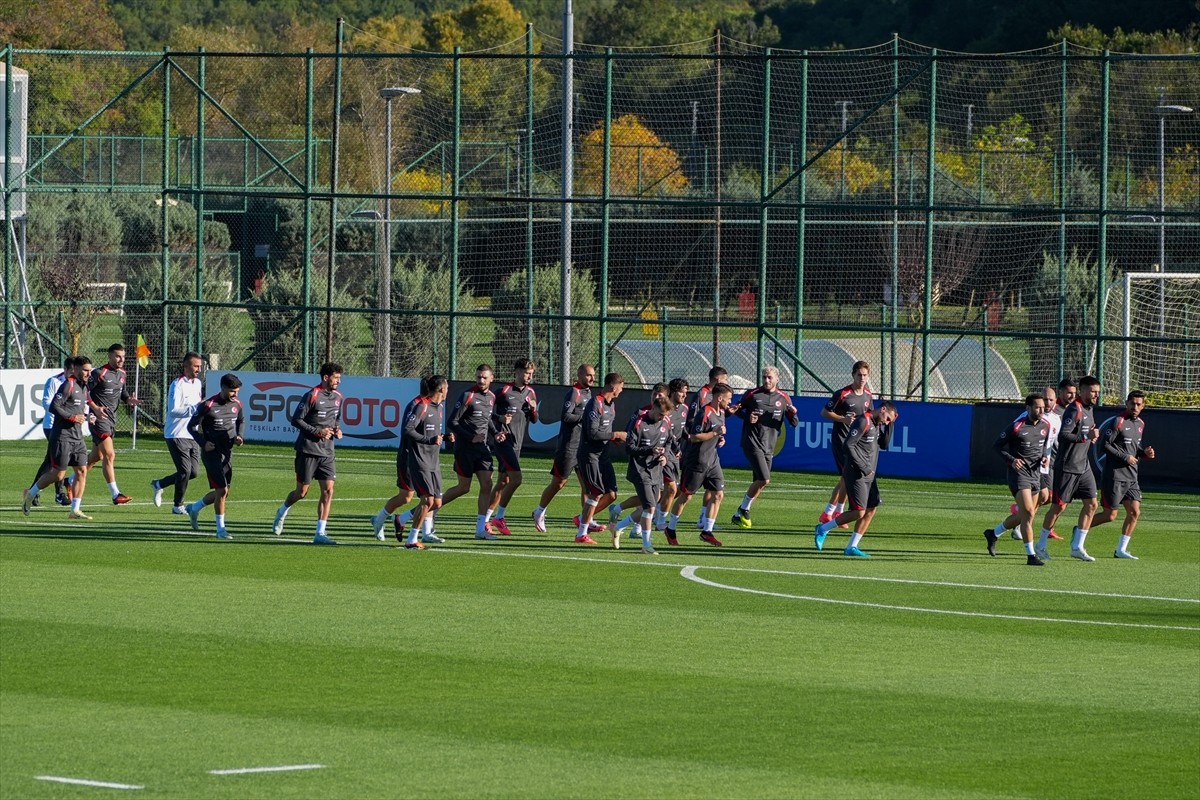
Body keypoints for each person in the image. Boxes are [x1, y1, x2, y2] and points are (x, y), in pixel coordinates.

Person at [813, 400, 899, 558]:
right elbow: (848, 446)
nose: (886, 422)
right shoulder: (863, 421)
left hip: (869, 475)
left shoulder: (877, 424)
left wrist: (890, 424)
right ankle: (822, 529)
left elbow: (885, 444)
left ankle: (852, 546)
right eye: (887, 418)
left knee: (871, 508)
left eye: (889, 421)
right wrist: (863, 467)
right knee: (859, 512)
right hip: (856, 473)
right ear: (883, 409)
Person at [272, 363, 344, 545]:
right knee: (301, 492)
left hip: (327, 451)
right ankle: (282, 511)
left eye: (339, 378)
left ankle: (320, 533)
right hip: (308, 450)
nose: (339, 381)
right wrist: (317, 432)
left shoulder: (338, 397)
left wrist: (337, 429)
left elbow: (336, 419)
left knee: (328, 491)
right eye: (336, 377)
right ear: (326, 377)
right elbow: (296, 420)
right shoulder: (312, 395)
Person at [984, 393, 1052, 566]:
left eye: (1043, 407)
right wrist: (1011, 460)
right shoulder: (1017, 426)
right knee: (1028, 513)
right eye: (1037, 407)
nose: (1041, 410)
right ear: (1028, 408)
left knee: (1025, 515)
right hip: (1018, 475)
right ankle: (1031, 556)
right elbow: (997, 446)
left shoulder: (1045, 426)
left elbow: (1043, 447)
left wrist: (1044, 457)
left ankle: (993, 533)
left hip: (1035, 474)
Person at [1038, 374, 1101, 561]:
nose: (1096, 395)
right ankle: (1040, 545)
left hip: (1084, 466)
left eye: (1098, 392)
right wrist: (1086, 437)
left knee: (1092, 504)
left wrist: (1090, 437)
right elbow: (1064, 435)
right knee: (1058, 507)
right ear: (1083, 391)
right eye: (1093, 392)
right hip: (1067, 466)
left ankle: (1077, 546)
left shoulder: (1089, 409)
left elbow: (1086, 433)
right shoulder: (1075, 409)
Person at [23, 356, 94, 519]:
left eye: (90, 370)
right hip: (62, 436)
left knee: (82, 470)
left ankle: (75, 509)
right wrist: (72, 417)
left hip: (78, 437)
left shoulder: (84, 387)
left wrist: (88, 417)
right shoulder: (68, 385)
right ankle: (30, 494)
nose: (88, 374)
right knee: (58, 474)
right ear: (76, 369)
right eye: (85, 370)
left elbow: (79, 409)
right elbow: (54, 406)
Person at [988, 385, 1061, 544]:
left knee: (1044, 498)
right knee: (1033, 507)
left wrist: (1045, 456)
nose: (1046, 404)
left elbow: (1046, 443)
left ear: (1056, 401)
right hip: (1023, 469)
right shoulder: (1022, 420)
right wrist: (1012, 459)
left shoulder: (1054, 419)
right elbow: (1012, 439)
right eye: (1044, 400)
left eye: (1050, 400)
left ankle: (998, 531)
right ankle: (1029, 546)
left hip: (1041, 465)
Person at [663, 382, 733, 547]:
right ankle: (670, 529)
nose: (730, 402)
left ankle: (707, 531)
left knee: (718, 494)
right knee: (686, 496)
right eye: (728, 398)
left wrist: (720, 439)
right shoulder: (704, 413)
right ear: (719, 398)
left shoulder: (722, 412)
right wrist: (715, 433)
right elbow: (694, 437)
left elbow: (716, 433)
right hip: (697, 461)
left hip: (712, 460)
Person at [532, 363, 597, 533]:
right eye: (589, 375)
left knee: (587, 485)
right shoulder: (574, 393)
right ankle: (539, 512)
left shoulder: (589, 393)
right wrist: (585, 417)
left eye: (593, 375)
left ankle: (586, 520)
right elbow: (566, 416)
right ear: (580, 375)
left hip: (582, 447)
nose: (592, 378)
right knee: (559, 483)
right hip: (568, 446)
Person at [730, 366, 798, 528]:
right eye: (764, 377)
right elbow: (735, 409)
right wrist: (747, 417)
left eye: (770, 377)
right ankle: (743, 509)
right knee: (764, 479)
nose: (766, 380)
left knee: (759, 483)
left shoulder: (783, 398)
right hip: (752, 442)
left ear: (777, 379)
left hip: (769, 446)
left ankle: (738, 515)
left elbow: (794, 422)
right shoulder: (753, 394)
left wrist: (793, 413)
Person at [1091, 390, 1155, 559]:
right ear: (1127, 403)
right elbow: (1104, 445)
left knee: (1134, 512)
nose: (1135, 407)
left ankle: (1121, 550)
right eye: (1132, 403)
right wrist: (1125, 457)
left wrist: (1144, 453)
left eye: (1139, 404)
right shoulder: (1118, 421)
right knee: (1110, 515)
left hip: (1132, 477)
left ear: (1143, 406)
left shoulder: (1140, 424)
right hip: (1115, 476)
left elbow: (1134, 449)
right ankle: (1080, 528)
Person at [440, 364, 500, 540]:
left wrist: (496, 433)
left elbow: (487, 419)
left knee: (487, 484)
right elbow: (452, 421)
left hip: (482, 449)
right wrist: (469, 437)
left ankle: (480, 529)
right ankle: (430, 509)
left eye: (484, 377)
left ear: (491, 378)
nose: (481, 380)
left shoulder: (492, 397)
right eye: (478, 377)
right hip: (465, 449)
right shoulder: (468, 395)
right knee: (463, 488)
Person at [184, 373, 245, 539]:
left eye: (237, 391)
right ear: (223, 388)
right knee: (222, 490)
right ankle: (220, 530)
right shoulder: (208, 405)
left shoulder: (237, 404)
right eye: (232, 391)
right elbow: (191, 427)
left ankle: (194, 508)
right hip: (211, 453)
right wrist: (203, 442)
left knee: (224, 492)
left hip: (227, 453)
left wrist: (239, 436)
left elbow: (241, 421)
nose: (235, 395)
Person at [613, 394, 673, 554]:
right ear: (653, 408)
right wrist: (650, 450)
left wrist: (665, 456)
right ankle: (646, 545)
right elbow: (629, 448)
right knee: (650, 508)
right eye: (660, 414)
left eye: (665, 415)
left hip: (656, 470)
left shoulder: (666, 422)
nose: (662, 418)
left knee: (653, 502)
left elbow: (669, 442)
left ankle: (619, 526)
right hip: (640, 470)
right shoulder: (639, 422)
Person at [607, 383, 669, 535]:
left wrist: (666, 455)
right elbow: (630, 436)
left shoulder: (667, 415)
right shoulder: (641, 414)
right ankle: (636, 529)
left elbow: (670, 439)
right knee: (649, 502)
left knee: (653, 499)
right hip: (641, 464)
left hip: (657, 463)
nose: (656, 397)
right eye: (654, 394)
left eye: (660, 395)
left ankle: (619, 511)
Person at [573, 372, 627, 544]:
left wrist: (614, 439)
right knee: (595, 494)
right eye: (621, 387)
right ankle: (581, 534)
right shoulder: (595, 403)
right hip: (590, 455)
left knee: (611, 494)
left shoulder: (611, 405)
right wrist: (615, 435)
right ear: (613, 386)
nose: (621, 391)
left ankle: (582, 518)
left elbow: (604, 432)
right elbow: (592, 433)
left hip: (603, 454)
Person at [86, 343, 142, 505]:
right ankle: (115, 494)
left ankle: (71, 480)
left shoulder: (122, 373)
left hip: (111, 420)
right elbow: (83, 391)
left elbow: (122, 392)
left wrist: (129, 399)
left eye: (123, 357)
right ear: (109, 356)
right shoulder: (99, 373)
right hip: (98, 420)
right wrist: (95, 409)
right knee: (110, 455)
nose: (121, 359)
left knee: (97, 456)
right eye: (117, 356)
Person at [487, 358, 539, 535]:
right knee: (517, 479)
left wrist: (533, 410)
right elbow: (486, 412)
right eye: (526, 373)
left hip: (517, 443)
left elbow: (534, 420)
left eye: (531, 374)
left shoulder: (531, 393)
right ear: (516, 372)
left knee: (504, 481)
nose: (529, 377)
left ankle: (486, 520)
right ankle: (498, 517)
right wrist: (499, 418)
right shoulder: (503, 391)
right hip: (503, 441)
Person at [818, 361, 873, 526]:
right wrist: (843, 419)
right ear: (853, 375)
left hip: (858, 444)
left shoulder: (868, 395)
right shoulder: (843, 394)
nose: (862, 378)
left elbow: (869, 417)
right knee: (847, 476)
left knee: (846, 477)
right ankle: (832, 512)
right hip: (842, 441)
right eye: (859, 375)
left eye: (865, 375)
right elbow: (824, 412)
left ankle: (833, 512)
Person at [399, 375, 450, 550]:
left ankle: (402, 519)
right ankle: (412, 539)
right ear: (441, 389)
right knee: (427, 500)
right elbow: (408, 430)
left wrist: (445, 437)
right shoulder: (422, 406)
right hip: (420, 460)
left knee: (437, 503)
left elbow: (433, 433)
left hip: (434, 462)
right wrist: (429, 440)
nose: (448, 390)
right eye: (447, 387)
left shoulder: (439, 407)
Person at [151, 352, 204, 514]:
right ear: (186, 366)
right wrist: (195, 408)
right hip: (176, 433)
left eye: (200, 366)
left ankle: (159, 484)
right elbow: (173, 411)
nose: (199, 369)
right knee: (184, 471)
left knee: (193, 472)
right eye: (196, 366)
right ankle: (177, 506)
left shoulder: (198, 383)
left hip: (192, 434)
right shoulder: (177, 385)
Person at [27, 356, 73, 507]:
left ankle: (33, 492)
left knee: (51, 461)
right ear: (65, 369)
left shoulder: (76, 384)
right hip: (52, 426)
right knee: (59, 460)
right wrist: (64, 414)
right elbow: (46, 402)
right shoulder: (54, 381)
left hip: (67, 427)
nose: (73, 374)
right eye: (71, 371)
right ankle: (59, 494)